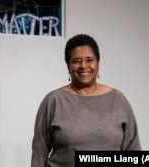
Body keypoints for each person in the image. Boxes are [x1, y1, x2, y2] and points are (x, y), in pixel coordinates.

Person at [31, 34, 141, 167]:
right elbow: (39, 154)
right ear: (68, 66)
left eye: (89, 60)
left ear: (98, 64)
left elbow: (133, 151)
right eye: (76, 61)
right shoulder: (53, 101)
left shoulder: (118, 99)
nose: (83, 66)